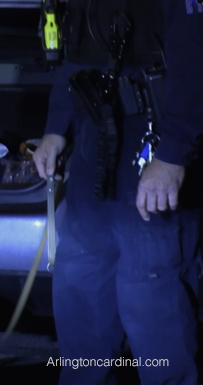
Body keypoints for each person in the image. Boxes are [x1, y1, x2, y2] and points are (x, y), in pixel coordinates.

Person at [33, 1, 203, 384]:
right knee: (80, 290)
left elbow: (196, 60)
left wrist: (173, 155)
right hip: (96, 137)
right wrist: (56, 129)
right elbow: (76, 46)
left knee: (152, 298)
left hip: (155, 136)